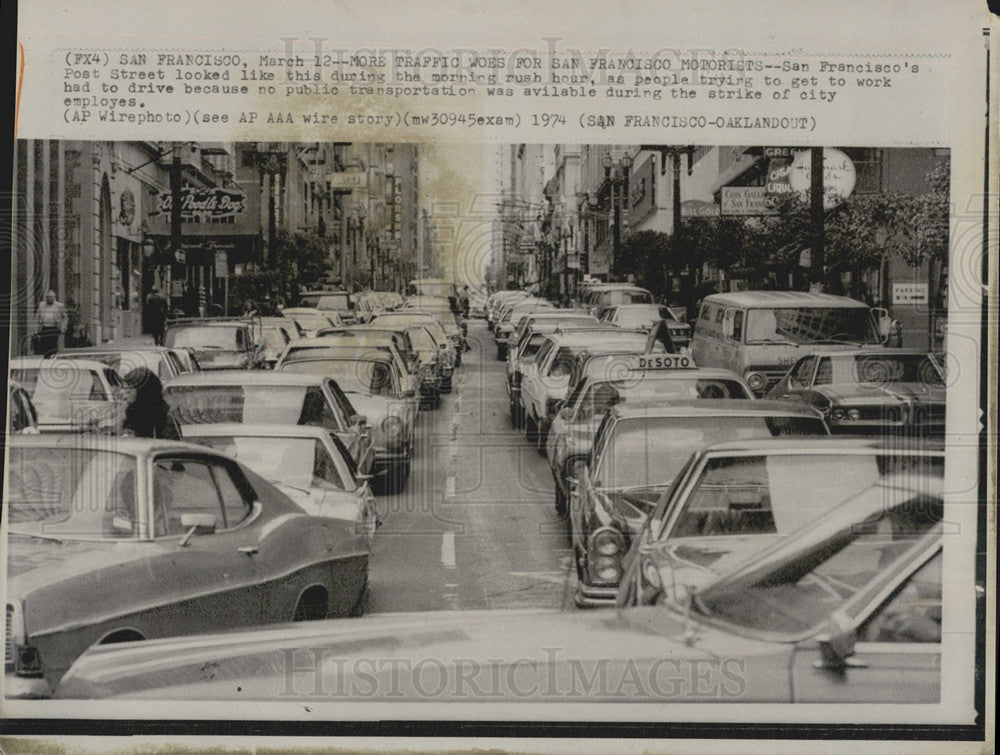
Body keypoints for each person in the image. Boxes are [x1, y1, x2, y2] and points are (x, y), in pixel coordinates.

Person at [120, 367, 181, 440]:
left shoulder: (164, 421)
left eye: (128, 391)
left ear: (142, 393)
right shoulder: (124, 417)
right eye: (123, 391)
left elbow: (172, 448)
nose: (124, 397)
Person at [34, 289, 68, 355]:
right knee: (44, 345)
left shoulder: (59, 306)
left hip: (54, 327)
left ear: (54, 298)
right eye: (48, 297)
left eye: (51, 297)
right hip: (44, 327)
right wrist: (35, 329)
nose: (49, 299)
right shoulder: (41, 305)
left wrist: (63, 327)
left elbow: (65, 317)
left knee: (53, 345)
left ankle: (52, 357)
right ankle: (46, 358)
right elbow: (37, 317)